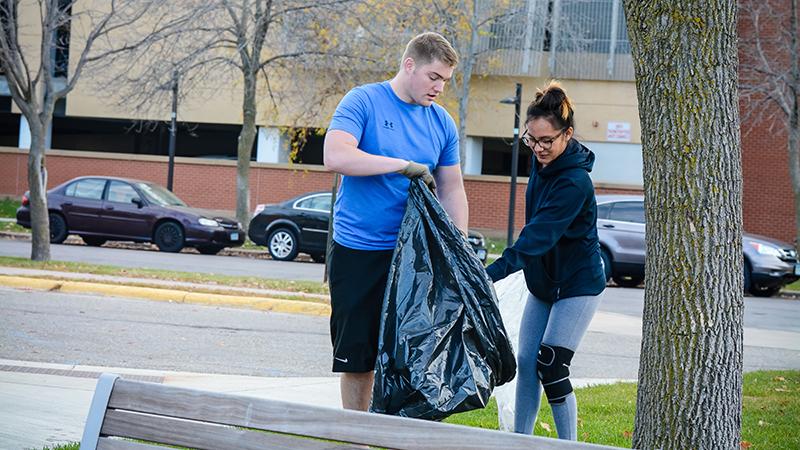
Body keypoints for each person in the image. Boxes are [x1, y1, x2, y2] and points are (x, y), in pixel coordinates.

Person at [322, 32, 469, 411]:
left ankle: (396, 436)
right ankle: (358, 438)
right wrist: (401, 165)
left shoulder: (441, 123)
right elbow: (336, 156)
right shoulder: (364, 101)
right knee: (359, 357)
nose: (439, 88)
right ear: (409, 65)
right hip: (360, 250)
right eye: (433, 77)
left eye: (445, 81)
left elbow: (452, 188)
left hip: (416, 259)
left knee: (412, 357)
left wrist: (461, 246)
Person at [484, 81, 606, 440]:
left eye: (546, 141)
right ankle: (520, 442)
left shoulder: (575, 182)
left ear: (567, 134)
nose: (537, 148)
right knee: (526, 364)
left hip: (577, 284)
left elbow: (538, 236)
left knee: (551, 365)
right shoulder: (542, 162)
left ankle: (568, 446)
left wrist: (489, 274)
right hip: (543, 283)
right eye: (531, 140)